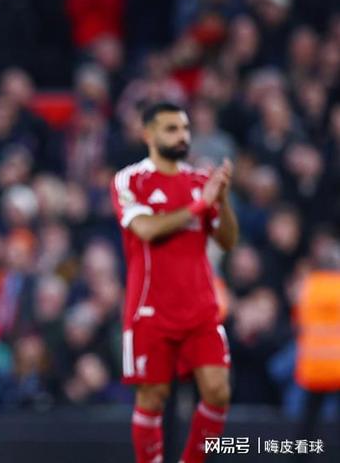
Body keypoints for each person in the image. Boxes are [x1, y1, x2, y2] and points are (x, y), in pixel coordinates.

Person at [109, 102, 239, 463]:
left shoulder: (199, 182)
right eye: (171, 129)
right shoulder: (130, 180)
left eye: (184, 128)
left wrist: (222, 200)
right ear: (148, 135)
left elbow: (228, 240)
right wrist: (199, 206)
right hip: (150, 309)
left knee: (218, 391)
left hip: (200, 307)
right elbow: (146, 228)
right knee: (153, 397)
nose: (182, 136)